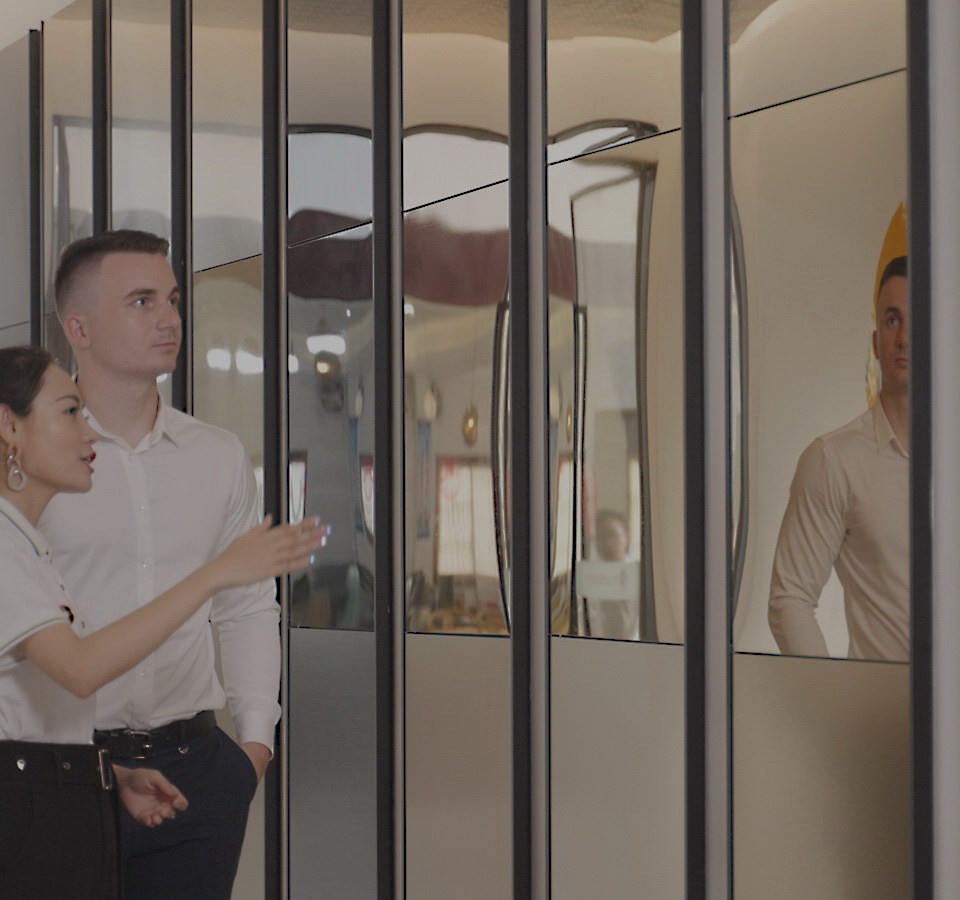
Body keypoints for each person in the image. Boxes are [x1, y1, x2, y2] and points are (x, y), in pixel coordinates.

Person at [0, 345, 322, 898]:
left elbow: (28, 714)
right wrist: (213, 575)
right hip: (28, 816)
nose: (89, 432)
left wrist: (109, 775)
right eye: (70, 412)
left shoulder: (26, 547)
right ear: (9, 426)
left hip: (69, 792)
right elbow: (79, 669)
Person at [39, 230, 287, 898]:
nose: (169, 318)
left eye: (172, 299)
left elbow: (247, 607)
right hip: (60, 775)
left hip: (197, 773)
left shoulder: (218, 456)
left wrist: (253, 749)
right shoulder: (31, 461)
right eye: (141, 301)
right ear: (79, 328)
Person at [768, 255, 909, 661]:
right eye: (893, 320)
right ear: (876, 342)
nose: (904, 338)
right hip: (875, 701)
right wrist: (832, 691)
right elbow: (790, 599)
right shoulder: (833, 461)